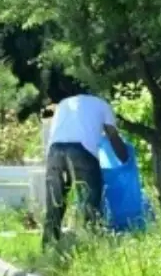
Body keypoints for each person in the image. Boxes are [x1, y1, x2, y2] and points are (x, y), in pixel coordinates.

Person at [42, 92, 129, 248]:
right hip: (82, 150)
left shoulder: (64, 103)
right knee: (91, 201)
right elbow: (113, 136)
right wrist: (126, 160)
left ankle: (48, 247)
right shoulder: (103, 105)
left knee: (55, 204)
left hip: (54, 151)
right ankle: (92, 245)